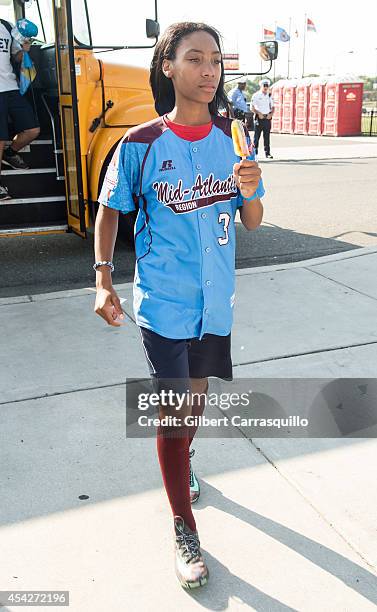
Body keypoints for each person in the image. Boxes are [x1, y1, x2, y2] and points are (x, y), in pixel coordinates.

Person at [94, 22, 265, 589]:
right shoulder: (141, 143)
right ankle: (183, 526)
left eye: (215, 59)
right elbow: (109, 209)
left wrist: (251, 186)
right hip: (163, 305)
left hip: (215, 307)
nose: (209, 70)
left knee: (194, 407)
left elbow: (253, 220)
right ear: (168, 66)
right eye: (195, 58)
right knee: (174, 411)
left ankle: (181, 461)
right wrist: (103, 278)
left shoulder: (233, 138)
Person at [0, 18, 40, 200]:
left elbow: (15, 56)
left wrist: (24, 50)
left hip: (11, 87)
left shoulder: (7, 27)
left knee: (33, 130)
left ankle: (10, 154)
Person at [251, 78, 274, 159]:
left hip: (267, 118)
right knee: (256, 137)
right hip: (259, 118)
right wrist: (258, 113)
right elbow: (252, 107)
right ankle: (254, 153)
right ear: (261, 86)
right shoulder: (256, 95)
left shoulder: (269, 96)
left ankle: (267, 153)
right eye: (264, 86)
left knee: (267, 137)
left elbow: (273, 107)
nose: (266, 87)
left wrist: (271, 114)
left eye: (267, 86)